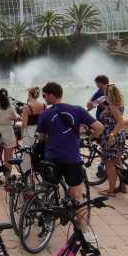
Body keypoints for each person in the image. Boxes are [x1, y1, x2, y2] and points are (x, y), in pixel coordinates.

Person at [37, 82, 103, 240]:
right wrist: (88, 136)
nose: (44, 99)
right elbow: (99, 127)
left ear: (52, 95)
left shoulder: (46, 114)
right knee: (77, 197)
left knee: (48, 190)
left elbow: (41, 137)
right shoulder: (77, 110)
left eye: (45, 96)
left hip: (52, 159)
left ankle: (46, 217)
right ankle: (86, 233)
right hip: (71, 159)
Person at [98, 85, 126, 196]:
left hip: (112, 137)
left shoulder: (113, 106)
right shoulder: (118, 105)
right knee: (117, 162)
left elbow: (120, 122)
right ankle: (123, 186)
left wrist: (112, 135)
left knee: (110, 164)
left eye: (106, 93)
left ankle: (111, 190)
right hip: (118, 135)